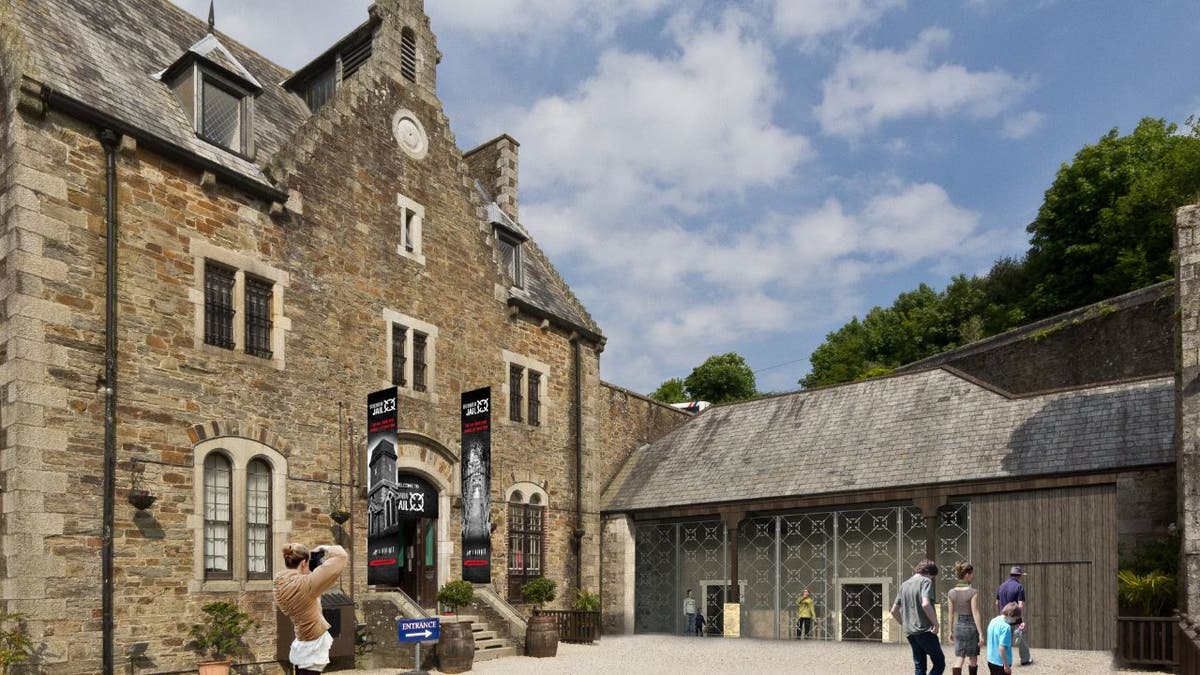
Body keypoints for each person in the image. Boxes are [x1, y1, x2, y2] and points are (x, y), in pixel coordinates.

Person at [274, 543, 348, 675]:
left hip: (301, 637)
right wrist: (324, 548)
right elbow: (341, 556)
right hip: (313, 641)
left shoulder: (279, 584)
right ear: (303, 563)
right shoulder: (306, 584)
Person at [890, 559, 944, 675]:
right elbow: (925, 604)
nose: (931, 580)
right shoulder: (925, 581)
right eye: (932, 577)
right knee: (939, 663)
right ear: (929, 573)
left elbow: (894, 611)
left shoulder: (904, 585)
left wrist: (904, 624)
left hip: (910, 632)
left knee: (919, 667)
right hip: (925, 631)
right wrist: (936, 623)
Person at [946, 562, 984, 675]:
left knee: (959, 657)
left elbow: (950, 614)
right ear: (967, 574)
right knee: (973, 658)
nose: (972, 576)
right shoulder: (973, 592)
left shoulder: (951, 593)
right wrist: (980, 632)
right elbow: (975, 612)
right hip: (971, 626)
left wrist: (950, 631)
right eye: (972, 574)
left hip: (959, 626)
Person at [995, 566, 1031, 666]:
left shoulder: (1001, 586)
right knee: (1020, 639)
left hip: (1003, 619)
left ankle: (1002, 661)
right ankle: (1024, 660)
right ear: (1019, 575)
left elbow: (997, 603)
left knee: (1003, 640)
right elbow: (1020, 605)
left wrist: (1001, 615)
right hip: (1015, 619)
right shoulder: (1019, 587)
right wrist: (1022, 620)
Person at [986, 602, 1022, 674]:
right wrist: (1006, 666)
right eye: (1015, 618)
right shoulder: (1006, 627)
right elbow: (1002, 648)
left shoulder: (993, 621)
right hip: (1001, 663)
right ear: (1010, 615)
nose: (1015, 621)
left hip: (990, 660)